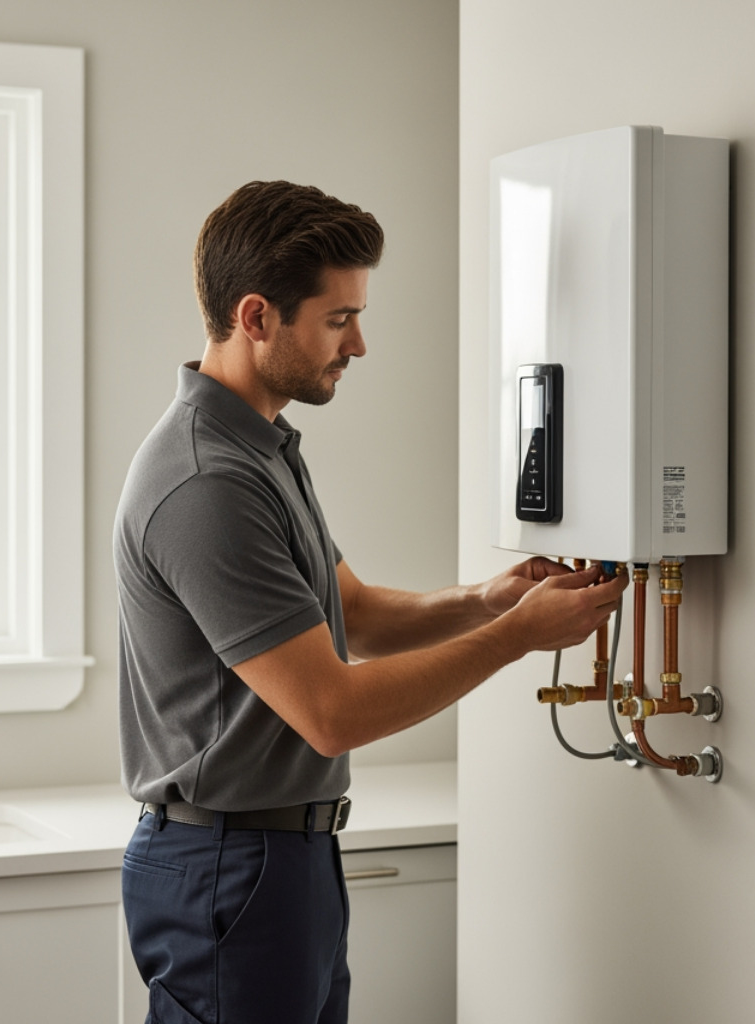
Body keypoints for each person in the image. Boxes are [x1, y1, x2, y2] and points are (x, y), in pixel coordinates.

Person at [113, 180, 627, 1024]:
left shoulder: (263, 446)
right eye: (339, 318)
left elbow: (353, 612)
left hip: (281, 859)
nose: (359, 344)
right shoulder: (208, 481)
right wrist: (518, 641)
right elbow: (330, 711)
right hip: (230, 864)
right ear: (256, 317)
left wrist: (489, 602)